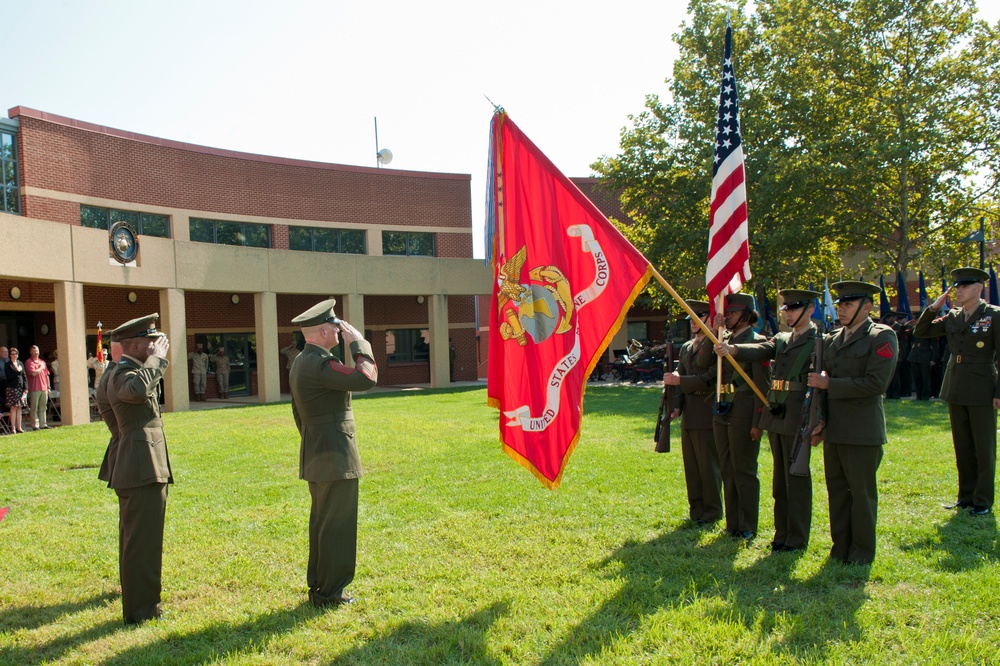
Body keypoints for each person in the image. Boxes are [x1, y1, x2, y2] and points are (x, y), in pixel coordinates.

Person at [715, 288, 821, 553]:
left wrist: (819, 421)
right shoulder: (782, 339)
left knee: (796, 477)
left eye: (794, 308)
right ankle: (782, 533)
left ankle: (797, 538)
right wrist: (733, 349)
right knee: (779, 481)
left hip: (799, 416)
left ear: (810, 310)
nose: (787, 313)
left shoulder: (819, 340)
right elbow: (762, 349)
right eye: (786, 308)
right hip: (778, 415)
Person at [289, 298, 378, 607]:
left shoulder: (302, 361)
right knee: (337, 526)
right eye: (337, 328)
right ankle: (331, 593)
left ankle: (320, 586)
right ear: (324, 332)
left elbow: (298, 413)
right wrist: (361, 345)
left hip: (318, 453)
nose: (341, 333)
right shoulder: (319, 363)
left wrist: (315, 441)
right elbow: (364, 379)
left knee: (323, 525)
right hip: (336, 456)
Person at [807, 281, 897, 565]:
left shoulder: (881, 337)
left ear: (866, 307)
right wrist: (820, 420)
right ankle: (840, 548)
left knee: (861, 494)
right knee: (837, 491)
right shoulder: (833, 339)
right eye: (840, 303)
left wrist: (830, 383)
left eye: (848, 304)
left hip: (862, 429)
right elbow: (821, 387)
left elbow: (876, 383)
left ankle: (861, 554)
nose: (841, 309)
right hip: (835, 428)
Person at [103, 314, 173, 625]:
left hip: (143, 463)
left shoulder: (131, 370)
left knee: (142, 539)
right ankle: (142, 610)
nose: (157, 344)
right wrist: (157, 361)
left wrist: (153, 361)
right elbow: (135, 392)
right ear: (134, 344)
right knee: (141, 542)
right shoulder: (123, 373)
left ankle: (143, 603)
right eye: (150, 341)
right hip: (139, 465)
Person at [914, 267, 1000, 516]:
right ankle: (965, 496)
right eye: (956, 287)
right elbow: (922, 331)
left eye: (963, 286)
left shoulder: (993, 315)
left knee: (983, 447)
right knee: (962, 445)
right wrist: (932, 308)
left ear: (978, 288)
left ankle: (982, 500)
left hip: (983, 385)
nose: (957, 291)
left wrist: (998, 392)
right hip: (956, 385)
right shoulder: (953, 316)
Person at [706, 293, 769, 541]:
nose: (728, 316)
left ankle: (748, 524)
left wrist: (758, 423)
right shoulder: (723, 339)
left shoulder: (757, 342)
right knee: (727, 468)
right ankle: (733, 523)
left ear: (746, 314)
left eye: (732, 313)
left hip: (744, 411)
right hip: (723, 407)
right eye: (727, 313)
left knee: (743, 469)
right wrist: (716, 330)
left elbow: (761, 386)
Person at [663, 300, 722, 525]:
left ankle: (712, 511)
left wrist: (681, 381)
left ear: (709, 318)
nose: (694, 323)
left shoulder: (715, 345)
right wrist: (676, 405)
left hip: (706, 411)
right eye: (692, 319)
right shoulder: (688, 346)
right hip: (689, 413)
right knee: (692, 466)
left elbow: (709, 378)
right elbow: (679, 378)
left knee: (708, 466)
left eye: (699, 317)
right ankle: (696, 509)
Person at [25, 345, 51, 430]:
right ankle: (35, 425)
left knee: (43, 407)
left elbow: (47, 375)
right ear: (30, 352)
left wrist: (48, 387)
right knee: (34, 407)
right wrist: (40, 368)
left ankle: (43, 424)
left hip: (44, 388)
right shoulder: (29, 362)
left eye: (37, 350)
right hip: (34, 388)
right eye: (34, 351)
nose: (36, 352)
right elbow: (33, 373)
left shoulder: (42, 362)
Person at [4, 348, 27, 434]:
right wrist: (17, 371)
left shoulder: (20, 363)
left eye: (16, 354)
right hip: (11, 388)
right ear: (10, 355)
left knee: (19, 407)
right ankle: (13, 428)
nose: (14, 355)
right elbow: (8, 376)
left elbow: (24, 376)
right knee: (13, 407)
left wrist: (26, 388)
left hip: (20, 388)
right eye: (13, 354)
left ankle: (19, 427)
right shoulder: (8, 364)